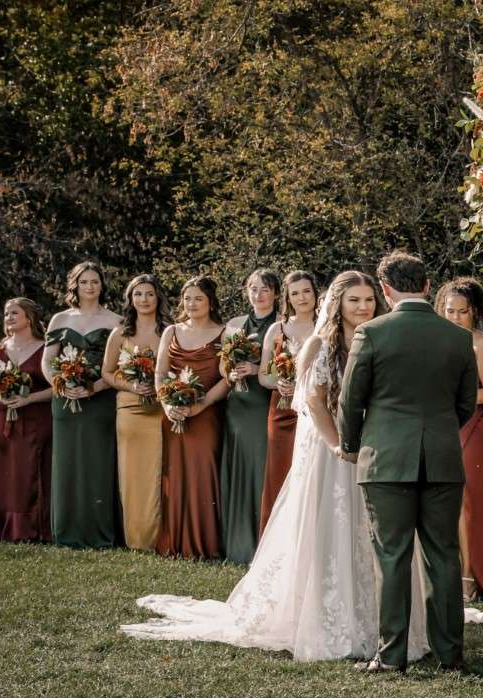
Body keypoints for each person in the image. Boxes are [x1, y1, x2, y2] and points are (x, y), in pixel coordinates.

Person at [124, 271, 427, 662]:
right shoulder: (319, 345)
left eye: (369, 299)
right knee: (329, 525)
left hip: (374, 448)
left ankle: (381, 620)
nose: (363, 307)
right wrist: (339, 445)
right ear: (338, 304)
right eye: (354, 300)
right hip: (329, 450)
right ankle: (325, 615)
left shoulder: (381, 337)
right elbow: (313, 403)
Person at [340, 250, 480, 674]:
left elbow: (351, 400)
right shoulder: (457, 337)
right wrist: (437, 431)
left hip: (385, 459)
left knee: (392, 556)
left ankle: (392, 655)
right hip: (441, 457)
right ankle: (450, 657)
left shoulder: (372, 333)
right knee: (444, 556)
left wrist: (352, 444)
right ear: (426, 286)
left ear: (384, 289)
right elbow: (466, 404)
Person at [437, 276, 483, 603]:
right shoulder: (437, 340)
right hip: (442, 426)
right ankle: (449, 571)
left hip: (474, 426)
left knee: (469, 503)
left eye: (461, 311)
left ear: (474, 312)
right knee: (445, 502)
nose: (454, 317)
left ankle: (472, 575)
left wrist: (452, 397)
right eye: (449, 311)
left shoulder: (481, 344)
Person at [43, 260, 122, 548]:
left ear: (102, 285)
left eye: (95, 281)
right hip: (64, 401)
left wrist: (94, 387)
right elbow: (48, 360)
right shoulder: (60, 320)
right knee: (68, 463)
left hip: (100, 399)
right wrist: (60, 384)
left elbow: (120, 365)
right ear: (75, 285)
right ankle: (67, 531)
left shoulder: (116, 320)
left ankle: (99, 531)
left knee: (98, 462)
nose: (89, 287)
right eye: (84, 281)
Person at [154, 276, 231, 560]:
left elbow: (226, 380)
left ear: (211, 301)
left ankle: (205, 543)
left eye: (198, 298)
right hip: (173, 414)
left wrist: (201, 405)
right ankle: (175, 541)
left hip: (207, 415)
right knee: (174, 475)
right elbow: (161, 373)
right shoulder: (171, 331)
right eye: (187, 298)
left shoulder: (224, 333)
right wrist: (166, 404)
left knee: (203, 474)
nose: (192, 303)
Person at [101, 275, 168, 551]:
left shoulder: (169, 331)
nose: (144, 299)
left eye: (149, 294)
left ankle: (162, 537)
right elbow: (106, 373)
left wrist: (161, 386)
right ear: (130, 299)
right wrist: (131, 384)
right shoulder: (120, 333)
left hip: (160, 411)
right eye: (138, 294)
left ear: (158, 297)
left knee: (158, 474)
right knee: (132, 475)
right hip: (129, 411)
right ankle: (137, 539)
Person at [219, 268, 280, 564]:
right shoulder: (233, 325)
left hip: (263, 402)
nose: (259, 294)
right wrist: (230, 371)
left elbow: (286, 364)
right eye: (254, 289)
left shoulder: (282, 324)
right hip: (237, 404)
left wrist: (257, 370)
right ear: (246, 292)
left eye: (266, 289)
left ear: (277, 294)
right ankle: (237, 543)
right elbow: (222, 367)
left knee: (261, 467)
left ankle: (261, 545)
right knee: (239, 467)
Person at [0, 297, 53, 541]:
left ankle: (33, 527)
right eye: (6, 314)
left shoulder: (46, 348)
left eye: (14, 313)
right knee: (2, 473)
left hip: (35, 419)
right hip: (0, 419)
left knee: (30, 471)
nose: (8, 317)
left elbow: (57, 388)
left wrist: (28, 399)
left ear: (29, 318)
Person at [257, 269, 318, 531]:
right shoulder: (277, 329)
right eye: (295, 293)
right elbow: (262, 375)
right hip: (281, 411)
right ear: (288, 298)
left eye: (306, 291)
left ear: (316, 292)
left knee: (312, 472)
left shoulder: (326, 326)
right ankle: (277, 536)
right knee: (280, 471)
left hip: (315, 410)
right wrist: (278, 383)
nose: (302, 297)